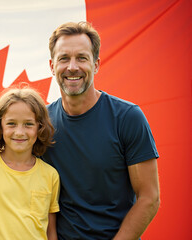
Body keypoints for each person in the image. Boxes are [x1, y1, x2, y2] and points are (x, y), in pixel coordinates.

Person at [42, 21, 160, 240]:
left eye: (82, 58)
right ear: (52, 65)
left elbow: (149, 197)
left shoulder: (127, 117)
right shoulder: (42, 123)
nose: (72, 67)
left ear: (96, 65)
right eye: (64, 58)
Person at [0, 87, 60, 240]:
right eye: (11, 124)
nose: (19, 132)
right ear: (0, 126)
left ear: (40, 127)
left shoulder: (50, 175)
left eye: (28, 124)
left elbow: (50, 232)